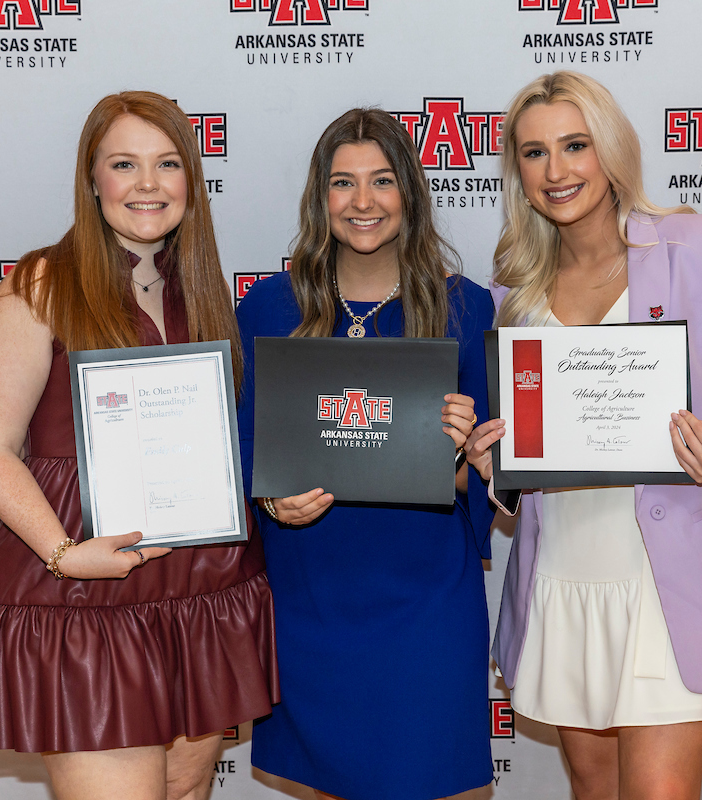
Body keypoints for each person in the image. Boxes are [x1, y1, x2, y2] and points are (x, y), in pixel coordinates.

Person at [463, 72, 702, 800]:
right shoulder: (509, 292)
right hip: (563, 571)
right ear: (516, 171)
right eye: (534, 153)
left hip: (672, 583)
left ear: (612, 149)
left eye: (575, 145)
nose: (556, 171)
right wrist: (489, 457)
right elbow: (516, 451)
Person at [0, 91, 278, 800]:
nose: (146, 184)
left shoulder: (196, 290)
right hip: (85, 599)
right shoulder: (40, 284)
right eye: (124, 164)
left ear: (190, 183)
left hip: (198, 594)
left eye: (167, 164)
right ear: (91, 180)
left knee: (188, 792)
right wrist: (66, 555)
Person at [235, 108, 496, 800]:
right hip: (312, 594)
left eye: (382, 180)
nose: (362, 202)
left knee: (436, 778)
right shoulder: (266, 308)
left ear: (409, 191)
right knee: (332, 782)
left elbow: (490, 474)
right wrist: (268, 499)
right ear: (320, 197)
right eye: (342, 182)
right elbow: (244, 447)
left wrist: (467, 452)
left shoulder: (467, 309)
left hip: (426, 597)